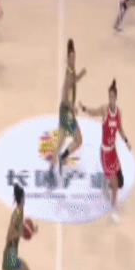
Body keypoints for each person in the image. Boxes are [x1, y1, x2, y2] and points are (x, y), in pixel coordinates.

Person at [79, 79, 131, 223]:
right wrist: (84, 108)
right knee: (115, 184)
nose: (110, 99)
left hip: (114, 152)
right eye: (109, 96)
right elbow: (93, 112)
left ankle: (104, 183)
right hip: (105, 153)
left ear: (116, 97)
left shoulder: (118, 112)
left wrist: (126, 141)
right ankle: (114, 211)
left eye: (112, 97)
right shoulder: (104, 109)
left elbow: (120, 129)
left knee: (120, 182)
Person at [50, 39, 86, 177]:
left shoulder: (71, 70)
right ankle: (62, 158)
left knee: (60, 141)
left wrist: (80, 75)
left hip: (64, 111)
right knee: (79, 139)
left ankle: (52, 167)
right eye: (71, 58)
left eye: (74, 57)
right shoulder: (68, 76)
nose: (73, 60)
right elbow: (65, 98)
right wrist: (73, 108)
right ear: (67, 59)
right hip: (67, 113)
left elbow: (74, 80)